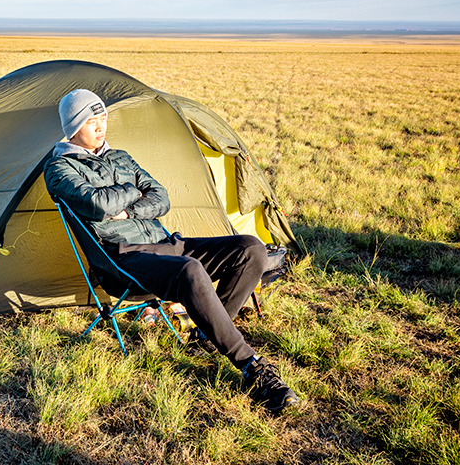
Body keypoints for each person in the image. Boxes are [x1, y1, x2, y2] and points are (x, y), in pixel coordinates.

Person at [43, 88, 300, 413]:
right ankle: (252, 367)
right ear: (72, 126)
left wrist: (128, 209)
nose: (100, 126)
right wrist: (133, 190)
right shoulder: (59, 168)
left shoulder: (120, 157)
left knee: (251, 249)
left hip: (167, 245)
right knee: (190, 270)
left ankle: (207, 334)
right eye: (91, 121)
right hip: (123, 260)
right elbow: (98, 204)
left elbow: (161, 198)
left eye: (103, 117)